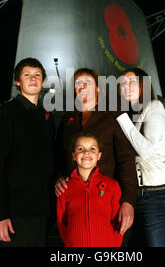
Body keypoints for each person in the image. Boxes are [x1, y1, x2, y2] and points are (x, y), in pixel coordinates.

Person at [55, 68, 137, 237]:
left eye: (88, 82)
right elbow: (59, 157)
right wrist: (59, 177)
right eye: (78, 83)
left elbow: (127, 158)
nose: (82, 86)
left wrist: (128, 201)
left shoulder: (113, 116)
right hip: (76, 202)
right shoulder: (67, 120)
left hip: (107, 200)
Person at [0, 57, 55, 246]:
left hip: (40, 211)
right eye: (27, 75)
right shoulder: (6, 113)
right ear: (18, 81)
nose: (33, 79)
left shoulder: (46, 117)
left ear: (43, 81)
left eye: (37, 75)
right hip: (13, 213)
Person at [115, 67, 165, 247]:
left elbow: (146, 150)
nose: (126, 86)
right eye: (122, 84)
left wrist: (121, 117)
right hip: (137, 195)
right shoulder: (136, 115)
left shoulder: (154, 107)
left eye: (132, 82)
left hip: (156, 195)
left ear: (144, 85)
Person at [57, 132, 123, 247]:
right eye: (80, 149)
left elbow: (118, 222)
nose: (86, 152)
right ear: (73, 156)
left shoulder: (112, 185)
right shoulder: (65, 188)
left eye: (92, 149)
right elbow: (62, 222)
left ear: (99, 156)